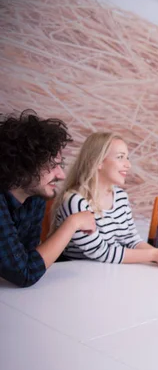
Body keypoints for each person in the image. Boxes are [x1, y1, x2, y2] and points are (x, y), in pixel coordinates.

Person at [53, 132, 158, 269]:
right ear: (96, 162)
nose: (128, 165)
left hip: (111, 272)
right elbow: (100, 251)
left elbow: (132, 240)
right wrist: (154, 255)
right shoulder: (76, 201)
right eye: (120, 157)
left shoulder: (121, 197)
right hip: (78, 274)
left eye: (127, 158)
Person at [0, 110, 97, 287]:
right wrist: (72, 223)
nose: (61, 174)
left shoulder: (35, 199)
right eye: (51, 166)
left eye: (59, 165)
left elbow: (30, 256)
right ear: (22, 167)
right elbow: (25, 273)